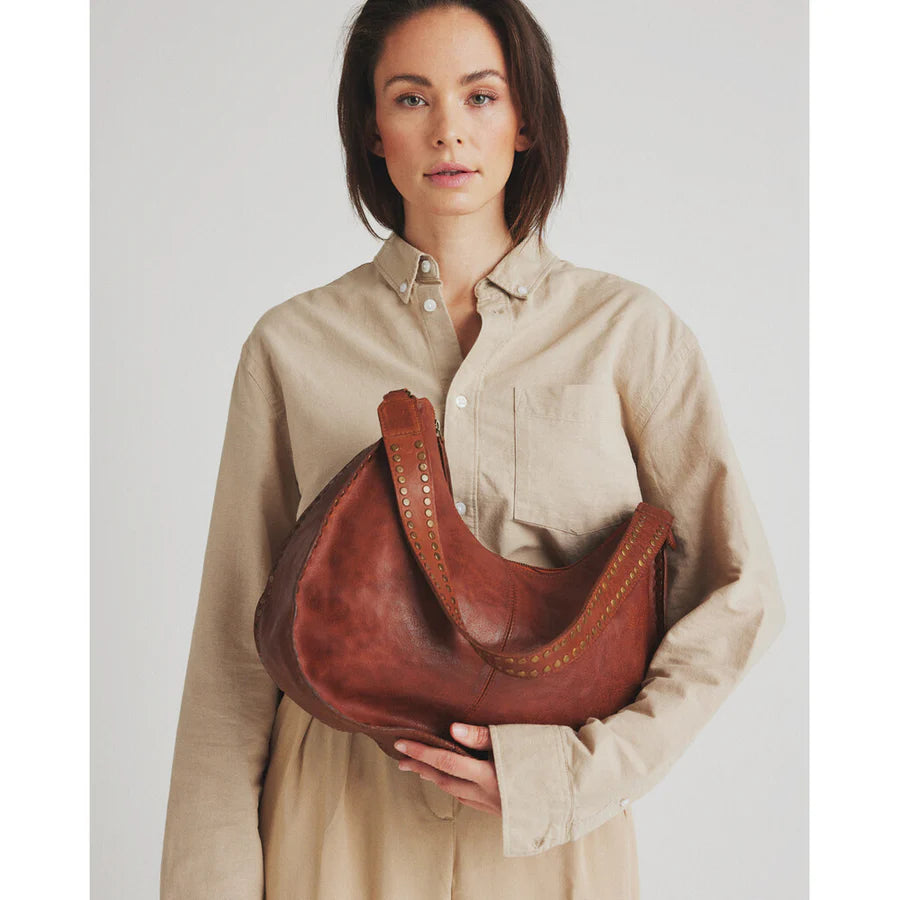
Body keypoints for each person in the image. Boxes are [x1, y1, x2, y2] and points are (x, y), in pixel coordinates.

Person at [160, 1, 786, 897]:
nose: (448, 130)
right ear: (372, 130)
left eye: (481, 96)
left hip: (552, 845)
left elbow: (739, 594)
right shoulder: (291, 346)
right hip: (337, 820)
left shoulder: (629, 335)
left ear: (526, 119)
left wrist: (579, 777)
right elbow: (233, 650)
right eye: (411, 98)